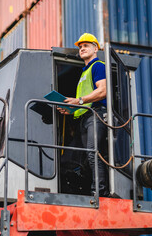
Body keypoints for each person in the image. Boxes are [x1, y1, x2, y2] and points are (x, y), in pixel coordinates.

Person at [58, 33, 109, 197]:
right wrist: (71, 109)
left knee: (93, 154)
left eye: (86, 45)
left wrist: (78, 101)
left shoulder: (98, 66)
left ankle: (99, 192)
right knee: (81, 158)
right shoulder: (84, 72)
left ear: (96, 48)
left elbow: (102, 91)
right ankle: (87, 189)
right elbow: (84, 102)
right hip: (84, 118)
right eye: (80, 47)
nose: (82, 49)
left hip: (96, 116)